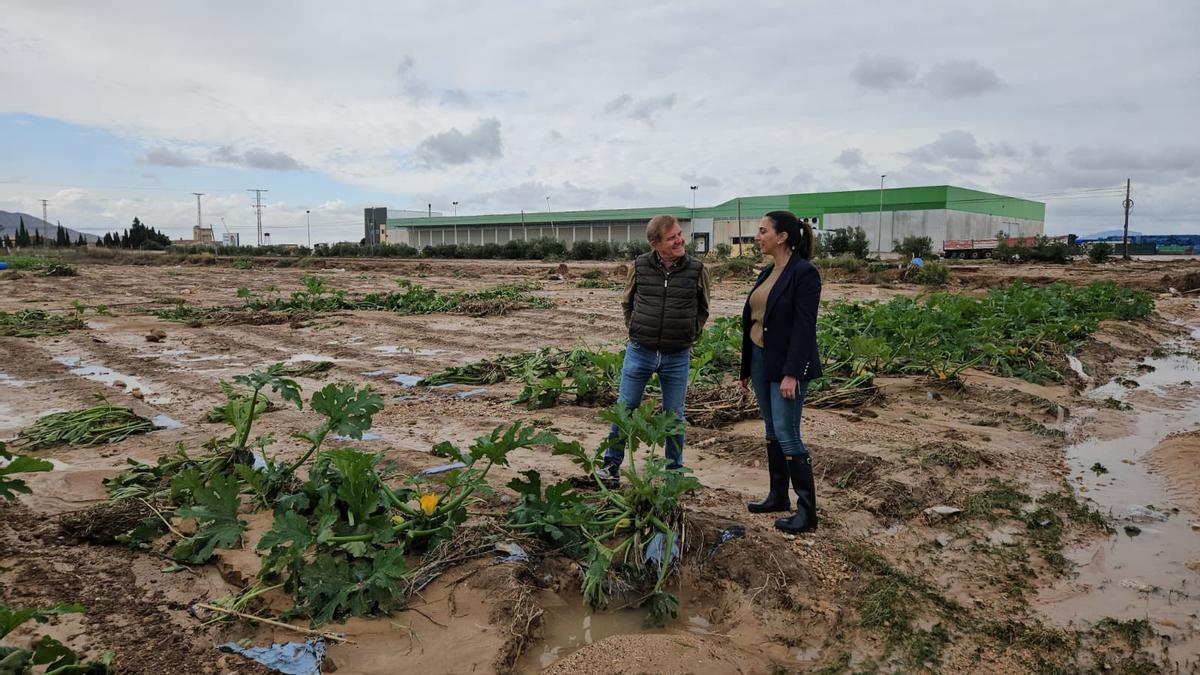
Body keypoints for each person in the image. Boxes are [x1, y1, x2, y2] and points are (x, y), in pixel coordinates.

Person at [599, 214, 711, 484]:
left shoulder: (697, 269)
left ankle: (674, 472)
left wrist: (688, 336)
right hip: (641, 351)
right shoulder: (639, 266)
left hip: (677, 356)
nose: (680, 240)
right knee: (625, 408)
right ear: (655, 243)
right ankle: (611, 466)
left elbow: (703, 309)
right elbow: (627, 302)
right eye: (672, 237)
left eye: (679, 234)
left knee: (674, 415)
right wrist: (636, 330)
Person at [739, 211, 822, 533]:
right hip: (761, 360)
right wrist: (747, 367)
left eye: (762, 231)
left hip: (786, 364)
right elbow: (755, 321)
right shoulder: (767, 272)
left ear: (782, 236)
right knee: (772, 429)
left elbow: (804, 329)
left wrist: (793, 374)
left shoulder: (804, 274)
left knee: (788, 432)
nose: (758, 237)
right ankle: (777, 495)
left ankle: (807, 511)